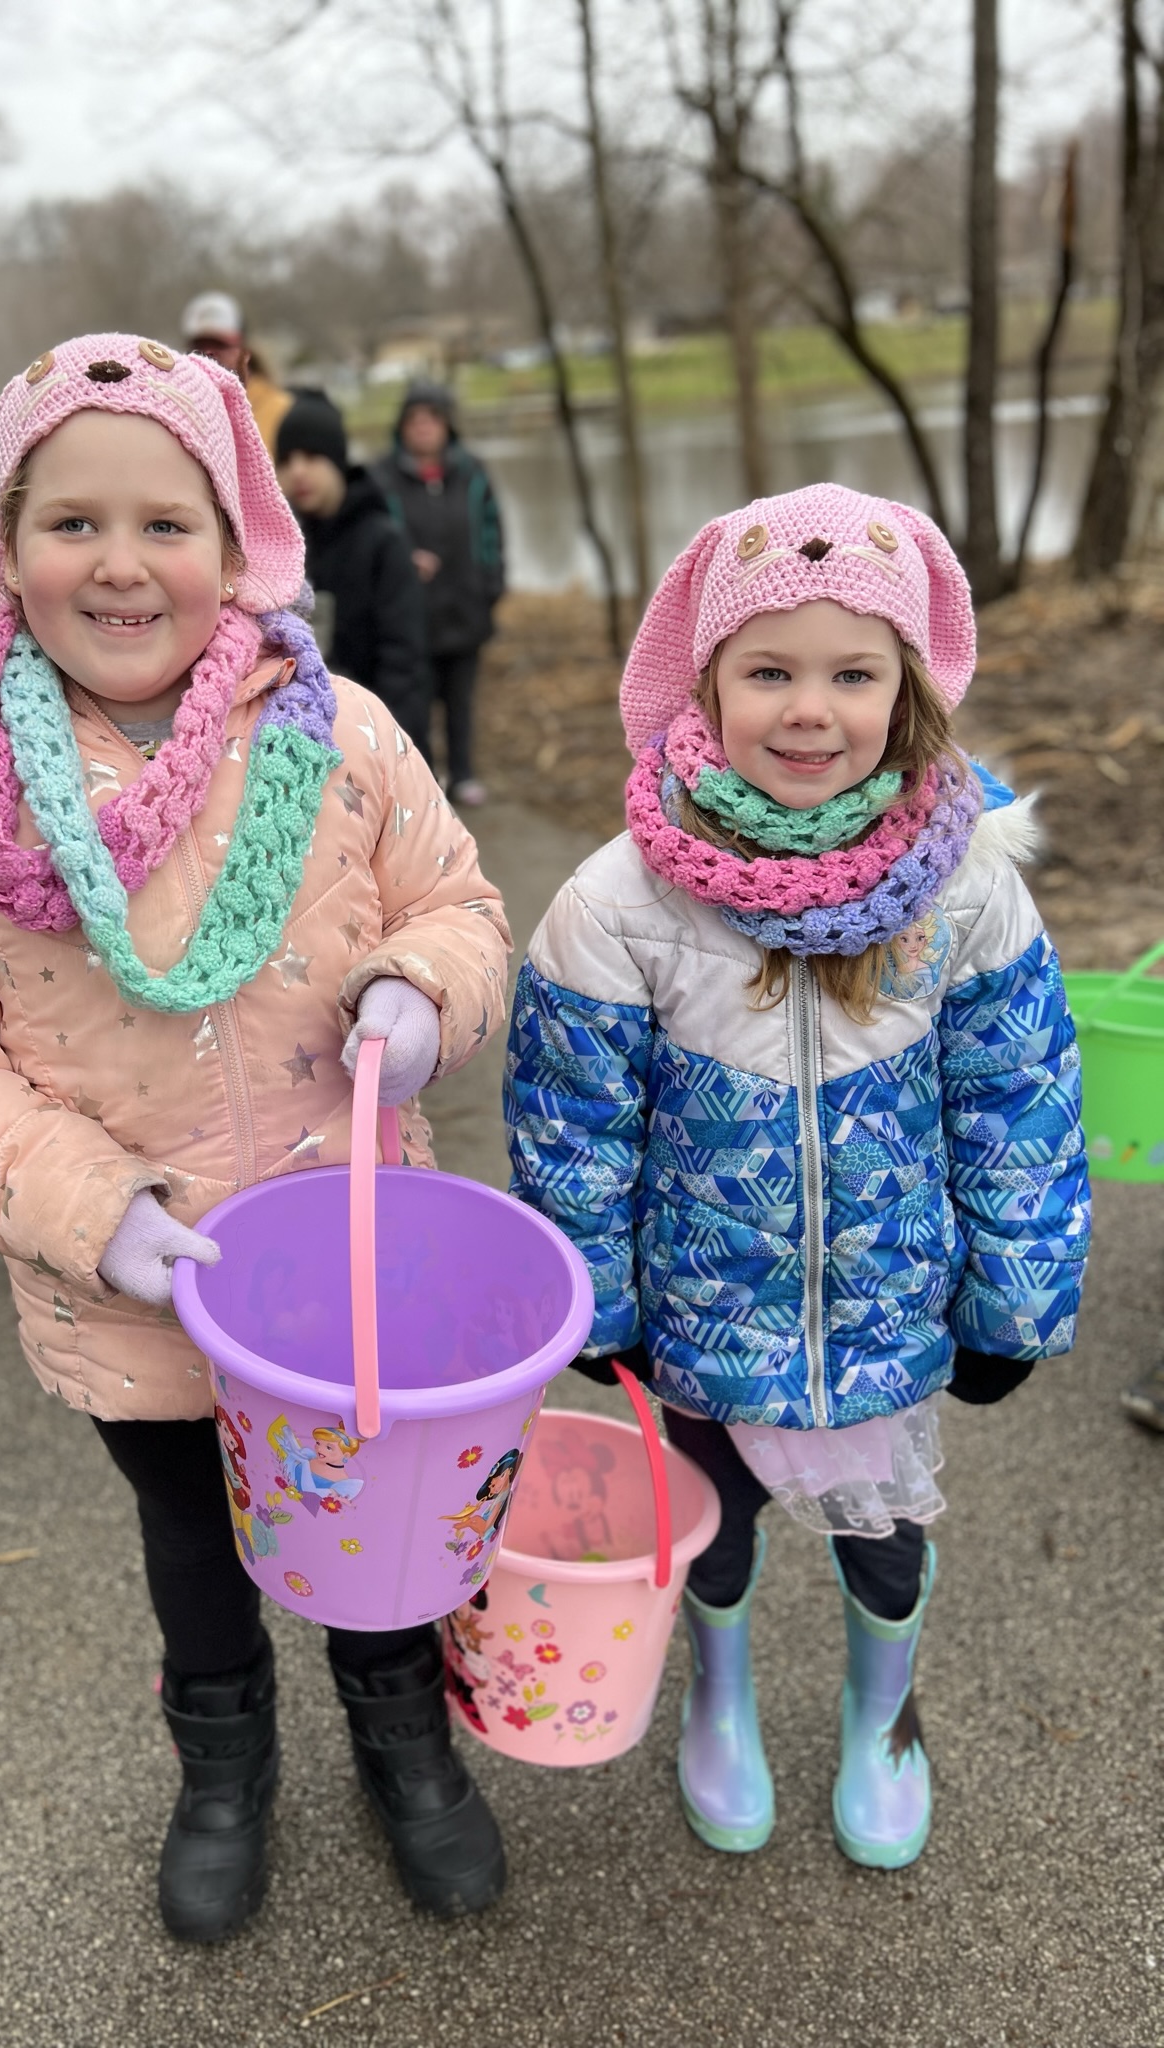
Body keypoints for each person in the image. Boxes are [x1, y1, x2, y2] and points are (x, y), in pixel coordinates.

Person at [0, 334, 512, 1941]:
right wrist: (83, 1201)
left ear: (242, 544)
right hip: (127, 1293)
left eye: (166, 523)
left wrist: (426, 986)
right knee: (192, 1543)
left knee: (379, 1526)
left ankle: (402, 1737)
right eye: (73, 524)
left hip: (356, 1273)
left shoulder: (339, 739)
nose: (122, 565)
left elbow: (459, 905)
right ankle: (223, 1769)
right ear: (5, 546)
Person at [505, 484, 1090, 1871]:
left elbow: (1020, 1096)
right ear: (704, 683)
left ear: (910, 687)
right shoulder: (618, 903)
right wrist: (600, 1305)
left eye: (852, 673)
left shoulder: (968, 888)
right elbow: (572, 1124)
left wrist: (1013, 1300)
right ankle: (718, 1696)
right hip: (702, 1322)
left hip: (891, 1308)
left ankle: (886, 1719)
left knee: (882, 1546)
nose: (810, 710)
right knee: (712, 1536)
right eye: (770, 671)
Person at [373, 379, 504, 807]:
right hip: (411, 615)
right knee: (415, 700)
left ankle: (464, 774)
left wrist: (491, 585)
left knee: (460, 700)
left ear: (447, 425)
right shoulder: (382, 478)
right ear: (402, 427)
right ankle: (422, 781)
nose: (424, 427)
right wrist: (405, 559)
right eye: (415, 419)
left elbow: (491, 534)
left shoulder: (472, 473)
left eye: (432, 418)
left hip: (465, 608)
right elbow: (375, 536)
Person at [276, 387, 430, 747]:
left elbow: (404, 663)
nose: (297, 471)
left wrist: (389, 745)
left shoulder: (383, 542)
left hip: (376, 737)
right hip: (301, 738)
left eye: (312, 456)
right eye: (285, 459)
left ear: (338, 460)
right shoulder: (280, 548)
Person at [180, 290, 291, 453]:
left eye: (221, 344)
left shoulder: (282, 410)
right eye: (199, 345)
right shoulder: (181, 407)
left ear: (243, 347)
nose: (209, 353)